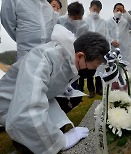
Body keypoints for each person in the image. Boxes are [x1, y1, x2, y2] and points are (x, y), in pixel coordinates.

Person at [0, 24, 110, 153]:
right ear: (80, 56)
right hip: (10, 105)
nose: (94, 71)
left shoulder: (68, 56)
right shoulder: (41, 58)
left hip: (36, 98)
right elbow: (27, 110)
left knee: (69, 103)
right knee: (33, 136)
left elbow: (56, 78)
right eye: (95, 66)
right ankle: (24, 142)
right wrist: (59, 142)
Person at [78, 0, 109, 97]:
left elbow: (106, 36)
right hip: (87, 49)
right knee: (90, 69)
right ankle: (91, 90)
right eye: (94, 9)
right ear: (90, 8)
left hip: (99, 50)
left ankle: (99, 88)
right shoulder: (84, 21)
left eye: (98, 10)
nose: (96, 12)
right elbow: (80, 35)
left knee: (99, 68)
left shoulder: (103, 22)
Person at [106, 3, 131, 72]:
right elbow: (106, 34)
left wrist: (125, 12)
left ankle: (126, 81)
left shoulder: (126, 21)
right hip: (113, 50)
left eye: (121, 10)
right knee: (113, 70)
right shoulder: (108, 22)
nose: (119, 12)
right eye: (117, 10)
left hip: (124, 50)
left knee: (125, 71)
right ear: (113, 10)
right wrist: (111, 41)